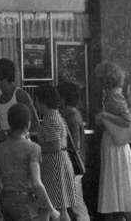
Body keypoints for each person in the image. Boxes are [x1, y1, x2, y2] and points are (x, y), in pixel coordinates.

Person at [0, 102, 61, 221]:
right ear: (28, 124)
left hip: (5, 200)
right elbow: (36, 183)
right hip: (24, 201)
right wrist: (51, 209)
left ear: (10, 123)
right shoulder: (33, 148)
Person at [95, 61, 131, 221]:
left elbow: (126, 120)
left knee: (115, 194)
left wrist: (103, 115)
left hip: (114, 146)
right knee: (121, 197)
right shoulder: (115, 93)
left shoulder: (114, 95)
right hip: (115, 144)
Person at [34, 84, 78, 221]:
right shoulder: (56, 116)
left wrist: (35, 147)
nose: (35, 104)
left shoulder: (50, 120)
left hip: (54, 167)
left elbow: (55, 146)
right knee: (59, 207)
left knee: (50, 206)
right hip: (58, 165)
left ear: (43, 101)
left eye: (37, 101)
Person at [57, 82, 91, 221]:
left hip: (74, 167)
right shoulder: (73, 116)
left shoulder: (72, 119)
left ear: (64, 99)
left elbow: (74, 146)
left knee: (77, 205)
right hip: (74, 167)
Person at [0, 58, 40, 138]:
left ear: (4, 75)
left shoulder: (20, 95)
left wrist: (7, 133)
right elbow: (2, 126)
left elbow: (34, 124)